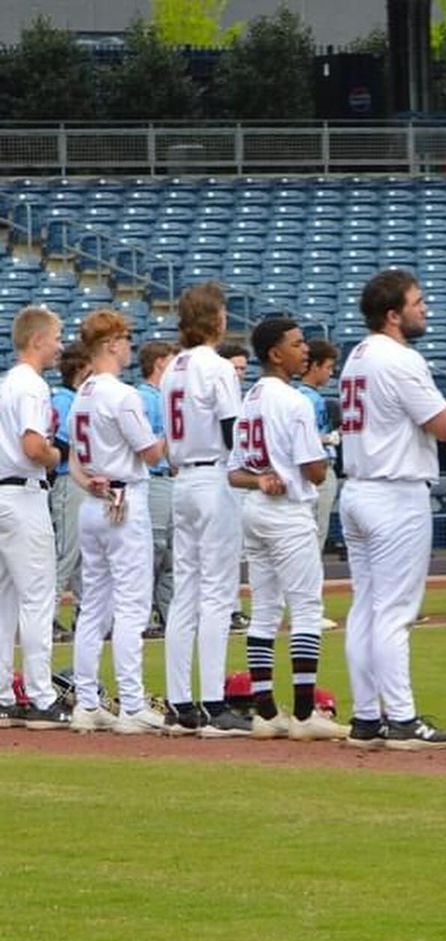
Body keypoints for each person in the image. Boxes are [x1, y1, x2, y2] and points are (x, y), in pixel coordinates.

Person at [337, 268, 446, 749]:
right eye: (416, 301)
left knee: (366, 607)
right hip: (394, 490)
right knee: (393, 612)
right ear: (393, 314)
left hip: (358, 487)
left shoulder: (356, 356)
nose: (424, 309)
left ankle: (367, 716)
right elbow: (443, 425)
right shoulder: (400, 358)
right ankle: (403, 718)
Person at [227, 316, 347, 742]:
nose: (305, 350)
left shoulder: (250, 399)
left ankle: (265, 712)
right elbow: (314, 471)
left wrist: (261, 478)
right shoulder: (294, 401)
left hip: (256, 508)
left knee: (264, 610)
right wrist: (320, 457)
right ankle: (303, 712)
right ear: (276, 354)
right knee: (306, 610)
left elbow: (234, 473)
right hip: (288, 512)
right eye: (296, 344)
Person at [68, 309, 166, 733]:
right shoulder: (121, 394)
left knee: (93, 605)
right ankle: (131, 703)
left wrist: (92, 483)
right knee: (131, 604)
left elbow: (74, 460)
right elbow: (151, 453)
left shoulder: (82, 393)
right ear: (110, 344)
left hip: (94, 498)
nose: (129, 346)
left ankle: (87, 702)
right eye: (125, 339)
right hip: (125, 501)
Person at [160, 282, 250, 737]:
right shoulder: (216, 366)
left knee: (186, 594)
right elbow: (233, 430)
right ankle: (214, 703)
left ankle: (180, 702)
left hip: (182, 479)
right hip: (214, 477)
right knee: (217, 593)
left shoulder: (172, 368)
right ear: (216, 319)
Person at [0, 305, 70, 728]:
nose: (60, 346)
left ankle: (3, 694)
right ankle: (42, 696)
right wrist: (55, 455)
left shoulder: (6, 383)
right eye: (56, 338)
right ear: (38, 339)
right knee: (38, 597)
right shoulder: (32, 386)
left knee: (5, 600)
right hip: (23, 493)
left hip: (2, 491)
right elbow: (32, 447)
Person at [136, 339, 177, 636]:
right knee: (153, 548)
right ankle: (142, 613)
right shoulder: (144, 397)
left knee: (173, 552)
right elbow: (145, 444)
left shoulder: (164, 396)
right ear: (160, 362)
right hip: (151, 477)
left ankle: (168, 614)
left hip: (169, 478)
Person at [50, 339, 90, 641]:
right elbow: (60, 445)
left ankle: (84, 615)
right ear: (80, 367)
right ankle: (48, 618)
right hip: (67, 481)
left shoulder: (79, 398)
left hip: (83, 482)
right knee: (66, 552)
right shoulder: (64, 399)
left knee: (84, 556)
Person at [296, 337, 341, 563]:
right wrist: (329, 438)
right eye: (328, 367)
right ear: (314, 366)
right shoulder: (307, 397)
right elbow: (301, 437)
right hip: (316, 467)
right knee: (314, 533)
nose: (330, 373)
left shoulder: (304, 394)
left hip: (312, 467)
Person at [218, 340, 252, 633]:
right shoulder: (223, 395)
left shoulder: (243, 398)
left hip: (230, 475)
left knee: (234, 549)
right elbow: (232, 440)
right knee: (224, 549)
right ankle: (227, 610)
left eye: (242, 369)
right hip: (219, 474)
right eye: (234, 368)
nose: (239, 373)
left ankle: (231, 607)